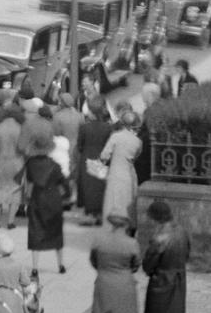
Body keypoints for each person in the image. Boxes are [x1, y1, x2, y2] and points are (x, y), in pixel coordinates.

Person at [141, 199, 191, 313]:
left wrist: (151, 271)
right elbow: (187, 254)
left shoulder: (159, 237)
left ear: (156, 217)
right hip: (178, 279)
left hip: (161, 280)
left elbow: (148, 264)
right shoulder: (182, 231)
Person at [89, 214, 144, 313]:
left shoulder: (99, 240)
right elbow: (136, 264)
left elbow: (93, 261)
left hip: (104, 281)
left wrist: (104, 269)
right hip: (124, 283)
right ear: (125, 225)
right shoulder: (131, 243)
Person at [22, 133, 68, 274]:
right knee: (56, 233)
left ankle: (35, 267)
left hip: (37, 199)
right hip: (54, 200)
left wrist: (26, 200)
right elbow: (65, 187)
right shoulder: (55, 166)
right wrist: (64, 196)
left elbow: (28, 183)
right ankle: (60, 265)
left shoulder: (30, 164)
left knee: (35, 232)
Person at [101, 106, 144, 225]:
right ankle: (126, 226)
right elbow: (136, 156)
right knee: (127, 201)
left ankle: (110, 227)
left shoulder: (115, 136)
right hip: (128, 174)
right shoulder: (137, 142)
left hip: (114, 173)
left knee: (112, 201)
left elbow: (104, 155)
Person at [75, 96, 115, 224]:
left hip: (87, 158)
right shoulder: (108, 128)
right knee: (99, 186)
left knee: (88, 187)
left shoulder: (84, 127)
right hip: (101, 159)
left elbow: (79, 145)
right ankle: (99, 213)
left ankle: (90, 213)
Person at [0, 102, 26, 230]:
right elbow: (24, 148)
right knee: (15, 190)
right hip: (17, 163)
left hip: (3, 162)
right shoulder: (21, 128)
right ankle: (10, 222)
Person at [51, 93, 84, 208]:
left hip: (64, 148)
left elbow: (55, 133)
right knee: (75, 173)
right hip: (77, 148)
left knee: (64, 172)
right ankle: (74, 195)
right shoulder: (80, 116)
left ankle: (65, 194)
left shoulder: (57, 116)